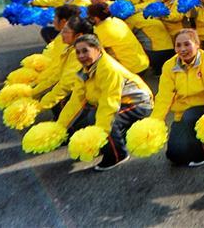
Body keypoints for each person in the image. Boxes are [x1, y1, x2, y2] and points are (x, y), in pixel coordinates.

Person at [54, 34, 153, 171]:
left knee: (108, 120)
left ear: (98, 49)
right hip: (118, 102)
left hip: (138, 103)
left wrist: (99, 134)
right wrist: (59, 128)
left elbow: (109, 103)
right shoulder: (85, 70)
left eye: (85, 51)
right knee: (91, 116)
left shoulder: (108, 69)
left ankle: (118, 155)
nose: (81, 55)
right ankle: (115, 140)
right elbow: (76, 100)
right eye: (78, 52)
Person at [151, 29, 204, 167]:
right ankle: (189, 144)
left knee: (191, 118)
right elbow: (164, 96)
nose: (182, 49)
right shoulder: (169, 66)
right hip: (183, 111)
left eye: (187, 44)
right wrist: (155, 121)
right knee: (174, 155)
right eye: (178, 45)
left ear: (197, 44)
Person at [35, 16, 93, 116]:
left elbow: (65, 85)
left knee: (60, 105)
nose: (61, 34)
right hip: (80, 91)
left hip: (91, 97)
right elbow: (57, 75)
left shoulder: (81, 54)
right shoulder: (71, 49)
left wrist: (38, 107)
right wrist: (33, 92)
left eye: (66, 31)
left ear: (79, 35)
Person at [87, 3, 150, 75]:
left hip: (131, 70)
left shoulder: (100, 32)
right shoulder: (117, 21)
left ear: (96, 18)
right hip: (143, 63)